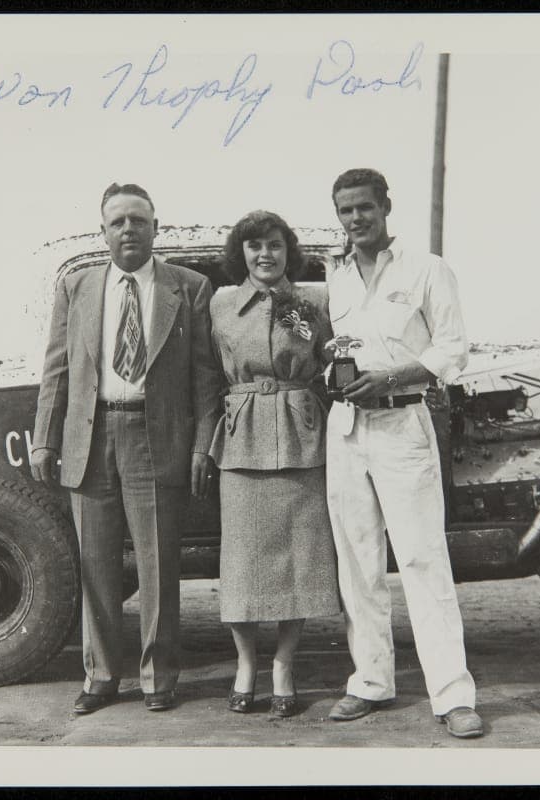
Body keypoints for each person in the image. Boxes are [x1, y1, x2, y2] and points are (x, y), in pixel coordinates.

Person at [31, 182, 219, 716]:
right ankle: (102, 675)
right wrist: (46, 437)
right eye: (118, 222)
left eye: (138, 220)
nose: (129, 229)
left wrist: (203, 446)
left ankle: (159, 677)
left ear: (156, 228)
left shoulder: (190, 287)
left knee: (159, 564)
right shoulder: (78, 286)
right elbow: (57, 369)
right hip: (90, 438)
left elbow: (206, 377)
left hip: (155, 438)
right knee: (96, 566)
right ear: (104, 232)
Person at [323, 168, 484, 739]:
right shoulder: (335, 277)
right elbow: (334, 349)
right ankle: (370, 681)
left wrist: (391, 375)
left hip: (403, 424)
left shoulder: (427, 269)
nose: (355, 219)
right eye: (345, 210)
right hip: (345, 431)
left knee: (420, 559)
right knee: (357, 563)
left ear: (386, 207)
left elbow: (452, 347)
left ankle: (452, 695)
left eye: (364, 207)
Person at [207, 210, 341, 718]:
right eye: (254, 245)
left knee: (300, 561)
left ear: (290, 251)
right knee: (242, 564)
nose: (265, 254)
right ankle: (246, 664)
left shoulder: (314, 301)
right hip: (242, 438)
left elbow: (334, 362)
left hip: (302, 434)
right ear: (239, 252)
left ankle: (284, 665)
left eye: (275, 245)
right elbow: (205, 374)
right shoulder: (220, 305)